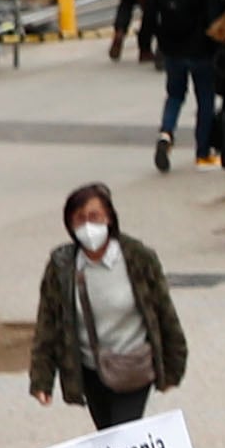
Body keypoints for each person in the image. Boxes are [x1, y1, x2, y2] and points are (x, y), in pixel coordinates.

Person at [29, 183, 187, 430]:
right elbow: (47, 324)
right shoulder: (62, 266)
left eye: (94, 216)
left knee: (123, 436)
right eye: (79, 219)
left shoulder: (137, 257)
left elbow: (164, 312)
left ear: (109, 218)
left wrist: (173, 366)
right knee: (108, 437)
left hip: (133, 366)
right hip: (91, 370)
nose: (88, 226)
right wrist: (42, 380)